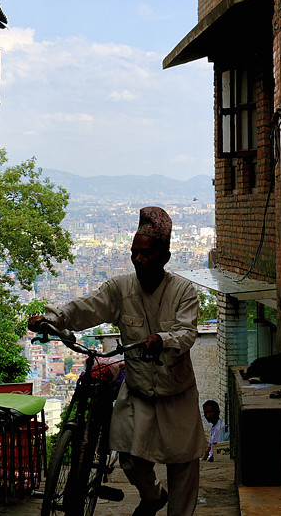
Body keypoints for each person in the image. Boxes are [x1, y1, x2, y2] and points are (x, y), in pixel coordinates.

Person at [28, 206, 206, 516]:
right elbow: (86, 307)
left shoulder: (183, 292)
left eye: (146, 254)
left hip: (176, 395)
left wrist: (161, 340)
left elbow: (186, 333)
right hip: (138, 392)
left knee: (183, 468)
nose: (139, 259)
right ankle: (152, 496)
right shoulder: (120, 289)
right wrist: (53, 320)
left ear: (164, 255)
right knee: (130, 459)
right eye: (134, 253)